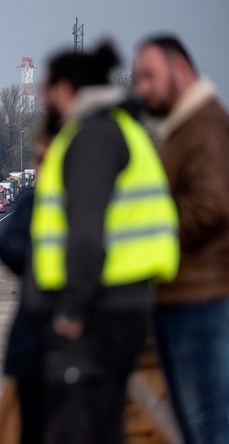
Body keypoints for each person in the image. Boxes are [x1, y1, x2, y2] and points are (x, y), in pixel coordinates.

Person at [33, 42, 179, 443]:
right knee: (104, 425)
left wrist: (71, 310)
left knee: (79, 428)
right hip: (122, 300)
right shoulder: (119, 127)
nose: (45, 100)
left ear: (66, 89)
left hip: (101, 307)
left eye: (48, 90)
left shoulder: (93, 136)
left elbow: (85, 233)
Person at [135, 35, 229, 443]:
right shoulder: (181, 127)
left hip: (200, 298)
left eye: (150, 77)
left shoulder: (203, 125)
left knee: (208, 424)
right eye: (139, 78)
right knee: (195, 425)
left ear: (182, 71)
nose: (143, 89)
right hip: (184, 297)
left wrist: (162, 235)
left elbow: (213, 203)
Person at [0, 120, 55, 444]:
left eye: (42, 159)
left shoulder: (77, 201)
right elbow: (5, 245)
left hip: (71, 339)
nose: (35, 166)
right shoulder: (33, 200)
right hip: (33, 338)